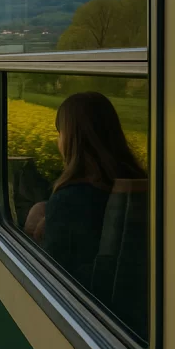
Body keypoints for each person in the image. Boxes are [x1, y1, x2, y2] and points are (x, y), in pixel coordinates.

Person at [23, 91, 146, 290]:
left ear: (72, 138)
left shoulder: (69, 201)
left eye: (59, 132)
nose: (58, 141)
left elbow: (52, 278)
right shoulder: (137, 185)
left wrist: (39, 235)